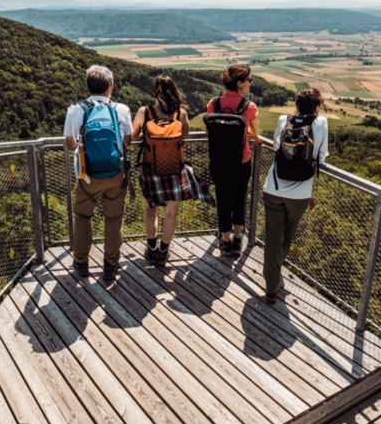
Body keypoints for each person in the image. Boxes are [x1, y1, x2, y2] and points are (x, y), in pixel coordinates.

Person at [132, 75, 215, 267]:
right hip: (175, 170)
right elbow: (184, 135)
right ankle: (163, 252)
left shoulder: (145, 111)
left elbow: (134, 135)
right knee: (171, 213)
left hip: (151, 169)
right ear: (174, 91)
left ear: (155, 91)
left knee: (150, 208)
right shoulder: (181, 113)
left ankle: (151, 249)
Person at [63, 64, 133, 281]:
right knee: (113, 219)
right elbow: (127, 140)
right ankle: (110, 266)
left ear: (89, 86)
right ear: (110, 86)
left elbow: (70, 143)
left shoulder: (76, 109)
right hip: (115, 173)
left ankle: (81, 262)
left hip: (87, 175)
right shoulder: (121, 109)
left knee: (83, 217)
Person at [262, 87, 329, 303]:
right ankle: (277, 275)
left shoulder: (284, 119)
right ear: (317, 105)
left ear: (297, 104)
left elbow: (275, 147)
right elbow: (322, 157)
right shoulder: (321, 123)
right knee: (287, 237)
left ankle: (271, 286)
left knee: (273, 238)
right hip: (300, 193)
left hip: (273, 188)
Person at [206, 64, 259, 258]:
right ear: (239, 83)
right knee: (239, 199)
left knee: (223, 200)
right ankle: (238, 240)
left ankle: (225, 241)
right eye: (249, 80)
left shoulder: (214, 103)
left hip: (218, 161)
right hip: (241, 161)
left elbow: (208, 132)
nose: (251, 82)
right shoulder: (249, 106)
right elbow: (255, 134)